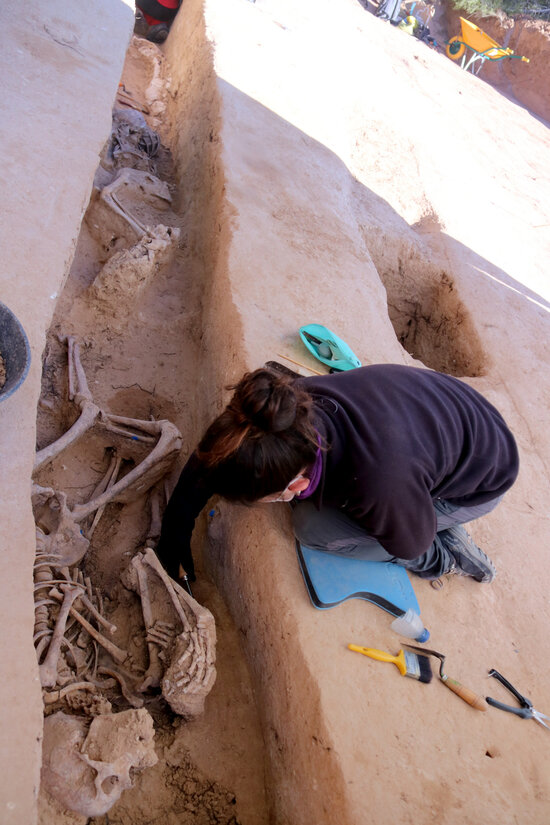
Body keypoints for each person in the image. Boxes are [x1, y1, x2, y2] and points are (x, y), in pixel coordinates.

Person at [156, 364, 519, 585]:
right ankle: (424, 506)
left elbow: (410, 544)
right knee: (350, 508)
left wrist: (412, 529)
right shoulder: (285, 408)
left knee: (314, 529)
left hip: (481, 478)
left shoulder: (378, 485)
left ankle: (447, 556)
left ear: (294, 486)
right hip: (446, 413)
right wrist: (175, 530)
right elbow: (213, 458)